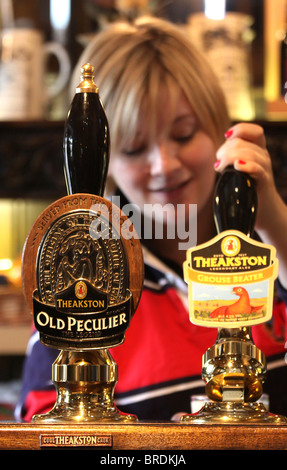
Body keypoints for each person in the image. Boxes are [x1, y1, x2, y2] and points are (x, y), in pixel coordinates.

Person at [16, 16, 287, 422]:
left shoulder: (274, 262)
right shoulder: (81, 298)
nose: (163, 164)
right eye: (134, 147)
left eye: (183, 134)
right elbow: (45, 431)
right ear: (106, 166)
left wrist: (275, 225)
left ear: (218, 128)